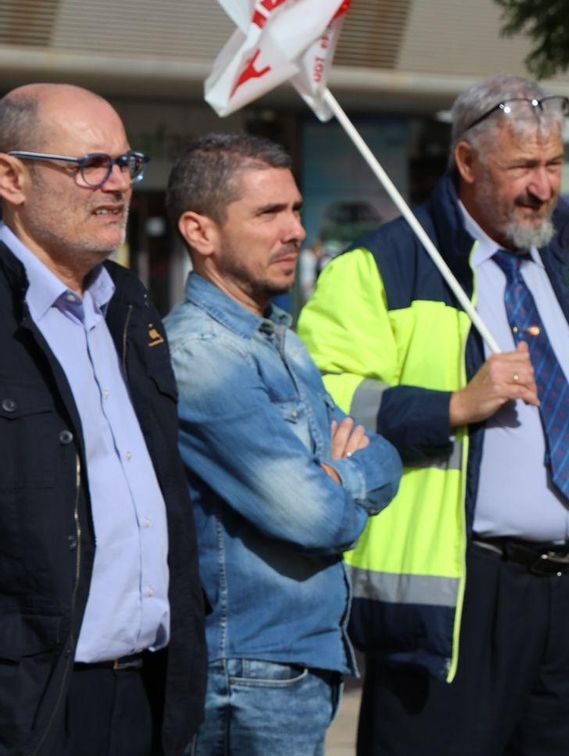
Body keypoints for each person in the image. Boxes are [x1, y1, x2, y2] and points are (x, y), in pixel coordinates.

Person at [297, 75, 569, 755]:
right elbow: (319, 399)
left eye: (553, 165)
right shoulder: (383, 267)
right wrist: (452, 406)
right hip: (461, 603)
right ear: (466, 162)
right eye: (523, 167)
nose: (543, 187)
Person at [162, 134, 402, 754]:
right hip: (247, 678)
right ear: (200, 232)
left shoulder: (278, 337)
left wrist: (338, 471)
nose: (294, 230)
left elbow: (387, 456)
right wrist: (344, 476)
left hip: (297, 666)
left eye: (295, 209)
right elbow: (315, 516)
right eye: (269, 213)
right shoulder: (201, 356)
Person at [0, 84, 205, 754]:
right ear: (12, 178)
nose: (117, 184)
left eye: (126, 163)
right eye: (90, 164)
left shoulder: (129, 306)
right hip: (33, 704)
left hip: (145, 691)